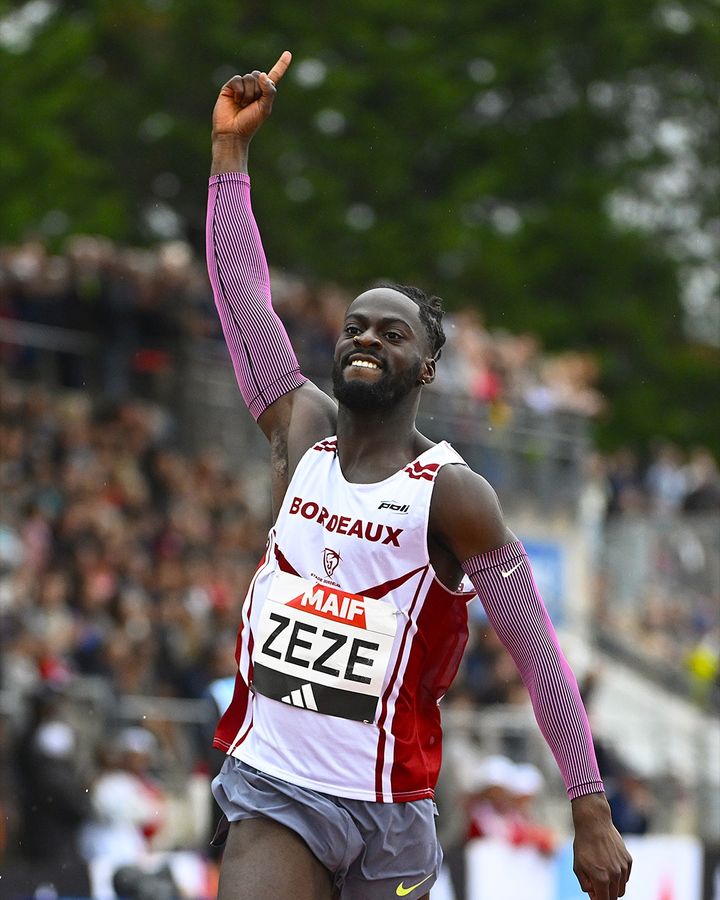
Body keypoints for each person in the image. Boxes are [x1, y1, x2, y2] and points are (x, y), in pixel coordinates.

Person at [205, 51, 632, 900]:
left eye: (392, 333)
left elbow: (538, 653)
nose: (366, 337)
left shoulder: (454, 496)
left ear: (427, 370)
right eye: (355, 326)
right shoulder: (300, 430)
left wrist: (589, 806)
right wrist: (229, 156)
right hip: (274, 785)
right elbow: (243, 294)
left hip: (389, 813)